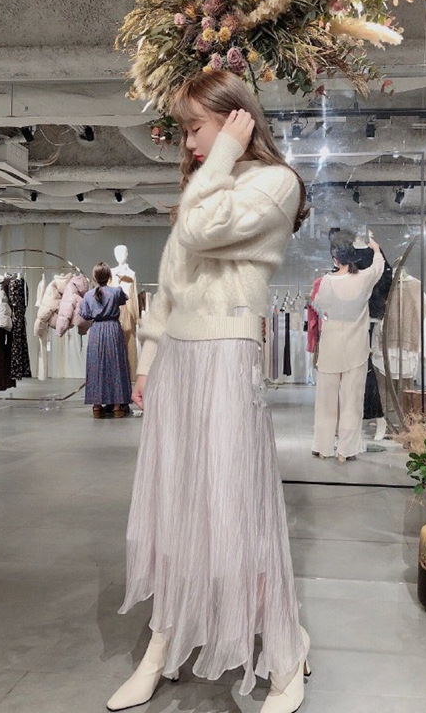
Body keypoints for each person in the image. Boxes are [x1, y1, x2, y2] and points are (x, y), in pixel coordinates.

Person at [107, 70, 311, 713]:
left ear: (234, 119)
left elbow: (198, 232)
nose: (189, 143)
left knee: (238, 511)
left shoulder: (275, 184)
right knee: (176, 508)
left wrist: (221, 154)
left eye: (195, 127)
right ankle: (161, 647)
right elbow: (172, 281)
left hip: (227, 356)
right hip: (180, 363)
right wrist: (148, 361)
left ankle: (286, 652)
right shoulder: (207, 186)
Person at [311, 235, 384, 461]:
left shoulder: (326, 281)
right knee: (352, 400)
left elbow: (320, 305)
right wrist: (375, 248)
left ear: (335, 259)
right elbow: (378, 267)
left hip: (331, 346)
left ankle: (323, 446)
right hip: (356, 347)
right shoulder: (364, 278)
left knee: (326, 400)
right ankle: (346, 449)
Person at [79, 262, 132, 419]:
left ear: (94, 277)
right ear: (109, 276)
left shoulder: (88, 295)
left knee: (96, 367)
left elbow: (85, 314)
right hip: (113, 329)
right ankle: (117, 407)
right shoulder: (116, 291)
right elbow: (124, 299)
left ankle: (97, 407)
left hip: (96, 331)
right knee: (116, 366)